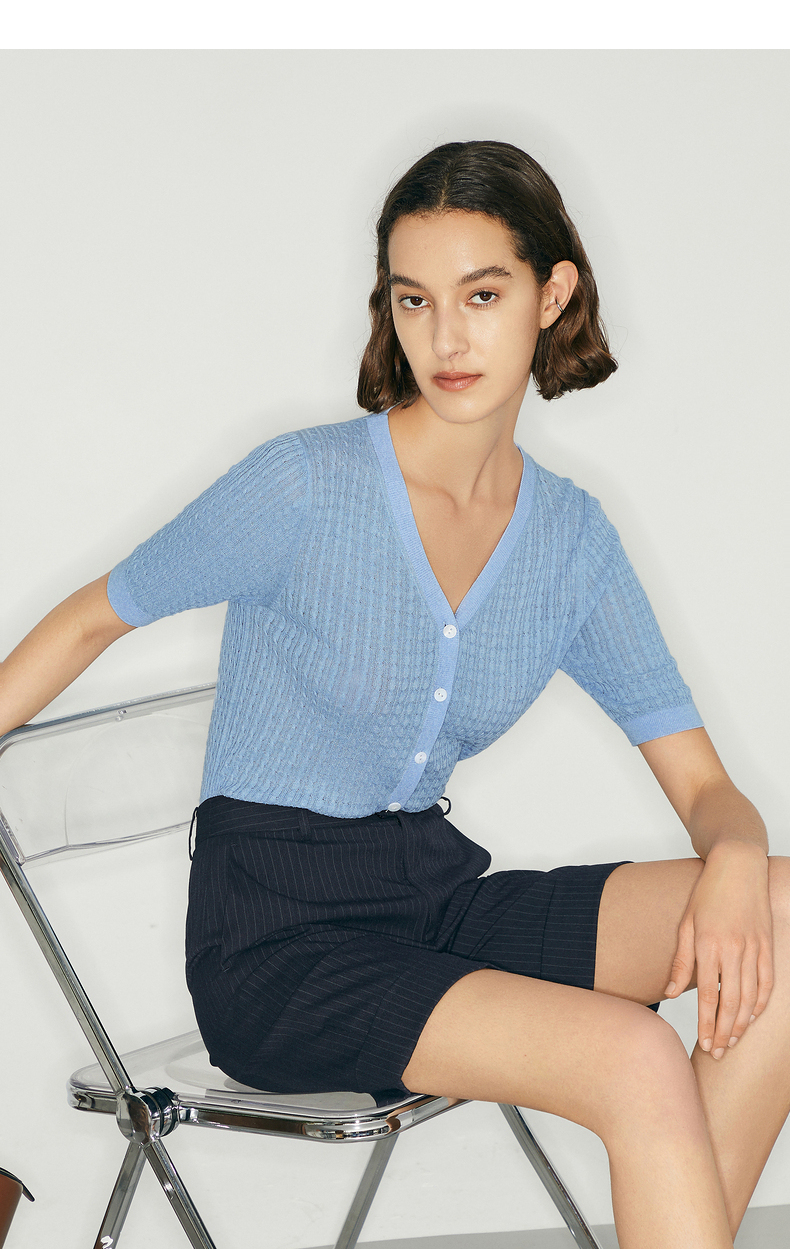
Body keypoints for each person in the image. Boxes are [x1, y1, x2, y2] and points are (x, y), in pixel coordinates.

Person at [1, 139, 788, 1249]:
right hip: (278, 947)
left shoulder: (569, 543)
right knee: (634, 1055)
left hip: (433, 903)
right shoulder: (305, 487)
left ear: (553, 294)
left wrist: (739, 853)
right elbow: (96, 615)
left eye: (483, 294)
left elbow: (703, 786)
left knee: (784, 913)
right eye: (415, 299)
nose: (446, 337)